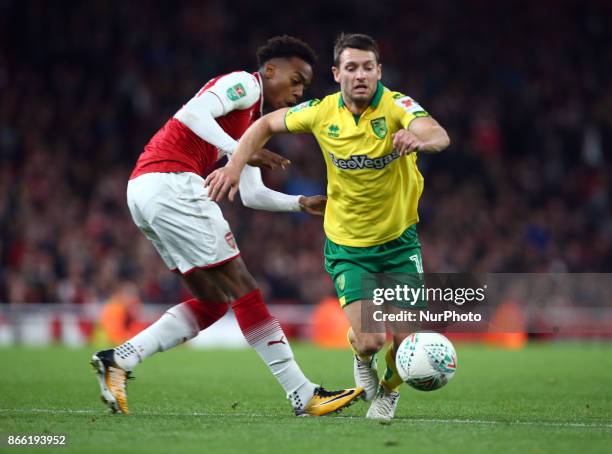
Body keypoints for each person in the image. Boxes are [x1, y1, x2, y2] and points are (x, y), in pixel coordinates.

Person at [91, 35, 363, 417]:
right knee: (244, 289)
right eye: (296, 79)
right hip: (172, 182)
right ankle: (304, 394)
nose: (299, 92)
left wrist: (300, 203)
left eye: (304, 85)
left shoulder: (252, 124)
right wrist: (242, 149)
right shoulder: (245, 84)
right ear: (270, 70)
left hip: (147, 190)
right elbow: (192, 115)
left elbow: (251, 194)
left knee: (214, 302)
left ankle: (119, 359)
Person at [205, 33, 451, 420]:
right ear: (337, 74)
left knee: (405, 343)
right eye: (351, 68)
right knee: (370, 341)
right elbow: (264, 125)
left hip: (400, 242)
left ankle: (387, 391)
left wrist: (416, 139)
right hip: (348, 245)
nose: (360, 75)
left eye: (368, 67)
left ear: (379, 72)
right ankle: (361, 358)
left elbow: (439, 134)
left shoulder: (397, 105)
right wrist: (234, 166)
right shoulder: (321, 112)